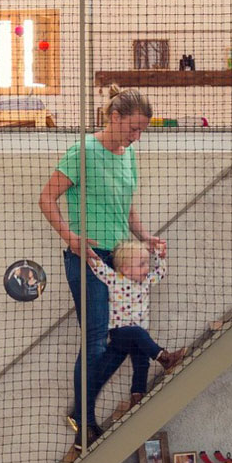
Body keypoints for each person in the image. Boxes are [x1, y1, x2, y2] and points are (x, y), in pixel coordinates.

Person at [36, 90, 165, 442]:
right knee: (94, 340)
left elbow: (127, 206)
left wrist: (147, 237)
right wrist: (70, 237)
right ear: (115, 117)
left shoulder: (130, 154)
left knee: (125, 339)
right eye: (133, 128)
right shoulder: (83, 151)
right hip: (88, 260)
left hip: (122, 258)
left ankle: (79, 411)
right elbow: (46, 198)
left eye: (141, 131)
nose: (136, 137)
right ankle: (86, 424)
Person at [88, 239, 187, 418]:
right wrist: (85, 250)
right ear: (125, 269)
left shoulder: (146, 281)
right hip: (121, 332)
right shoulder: (114, 279)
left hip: (138, 336)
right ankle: (164, 357)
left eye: (146, 264)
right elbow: (97, 267)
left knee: (141, 362)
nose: (146, 268)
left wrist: (159, 256)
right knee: (137, 333)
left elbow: (161, 272)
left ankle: (137, 395)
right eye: (141, 264)